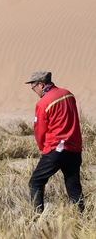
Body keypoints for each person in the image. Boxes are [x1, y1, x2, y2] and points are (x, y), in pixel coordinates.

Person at [25, 71, 84, 213]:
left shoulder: (43, 103)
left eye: (34, 87)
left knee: (36, 182)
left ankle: (36, 218)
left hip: (56, 148)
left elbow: (40, 130)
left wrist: (43, 149)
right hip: (74, 148)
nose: (34, 91)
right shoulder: (68, 94)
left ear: (41, 84)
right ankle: (81, 216)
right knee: (73, 185)